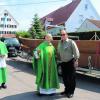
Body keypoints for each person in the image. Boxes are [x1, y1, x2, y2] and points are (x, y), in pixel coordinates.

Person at [57, 30, 80, 98]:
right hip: (63, 63)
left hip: (70, 62)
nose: (62, 36)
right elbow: (58, 52)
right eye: (61, 34)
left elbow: (76, 52)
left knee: (71, 78)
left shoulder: (71, 42)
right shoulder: (59, 43)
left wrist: (76, 60)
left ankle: (71, 92)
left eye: (64, 34)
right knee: (65, 78)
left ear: (67, 35)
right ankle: (66, 90)